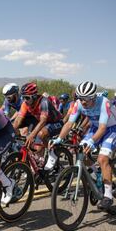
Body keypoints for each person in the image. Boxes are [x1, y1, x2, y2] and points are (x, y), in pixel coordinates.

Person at [50, 81, 115, 211]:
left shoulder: (104, 102)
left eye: (87, 99)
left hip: (111, 129)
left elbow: (103, 128)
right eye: (81, 98)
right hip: (95, 127)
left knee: (102, 158)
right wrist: (59, 139)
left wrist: (91, 141)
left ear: (94, 97)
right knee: (81, 153)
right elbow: (69, 123)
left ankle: (108, 196)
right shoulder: (78, 103)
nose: (83, 102)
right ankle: (98, 176)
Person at [13, 82, 63, 170]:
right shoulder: (25, 104)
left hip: (56, 122)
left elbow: (43, 121)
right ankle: (39, 161)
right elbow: (18, 120)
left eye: (27, 98)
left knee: (40, 134)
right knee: (32, 144)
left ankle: (52, 153)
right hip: (44, 123)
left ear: (34, 96)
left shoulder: (44, 102)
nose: (24, 100)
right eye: (23, 97)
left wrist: (32, 135)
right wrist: (10, 131)